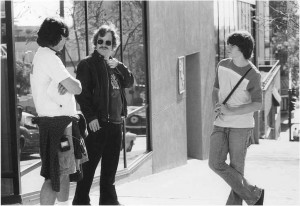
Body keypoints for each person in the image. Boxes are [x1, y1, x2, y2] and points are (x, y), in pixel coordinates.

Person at [72, 23, 134, 205]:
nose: (104, 44)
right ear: (95, 43)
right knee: (89, 168)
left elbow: (129, 82)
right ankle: (81, 202)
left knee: (110, 170)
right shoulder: (87, 64)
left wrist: (120, 66)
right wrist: (90, 117)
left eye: (108, 42)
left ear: (113, 45)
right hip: (98, 124)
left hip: (115, 124)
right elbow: (82, 95)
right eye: (100, 41)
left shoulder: (115, 66)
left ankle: (109, 202)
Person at [30, 17, 83, 205]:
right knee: (56, 173)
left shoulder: (41, 55)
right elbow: (77, 88)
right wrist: (70, 83)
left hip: (55, 125)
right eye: (64, 37)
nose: (65, 41)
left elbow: (68, 85)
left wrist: (64, 83)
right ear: (57, 36)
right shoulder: (50, 58)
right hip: (58, 127)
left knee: (62, 170)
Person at [208, 31, 265, 205]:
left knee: (236, 169)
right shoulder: (223, 64)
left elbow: (257, 104)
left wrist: (231, 111)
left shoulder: (253, 74)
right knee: (215, 163)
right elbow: (216, 89)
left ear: (241, 49)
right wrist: (215, 106)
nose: (228, 48)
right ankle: (255, 194)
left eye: (232, 45)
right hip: (220, 123)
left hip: (241, 126)